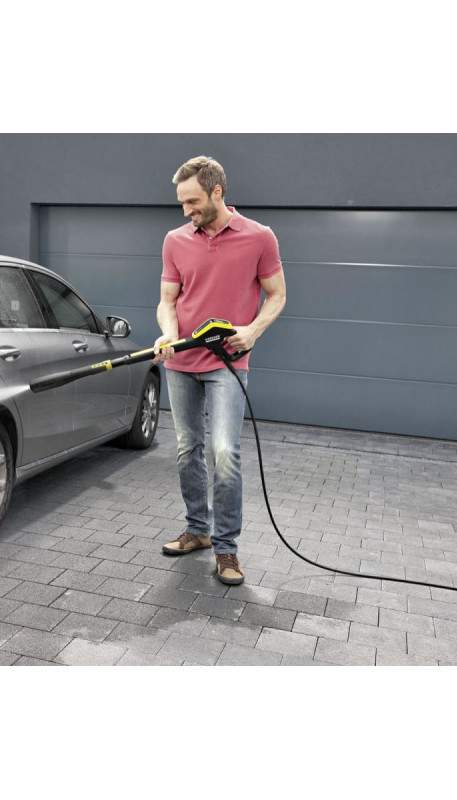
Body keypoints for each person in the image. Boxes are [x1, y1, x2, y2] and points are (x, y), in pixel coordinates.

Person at [154, 156, 286, 585]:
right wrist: (167, 334)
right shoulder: (175, 240)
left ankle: (226, 547)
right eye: (181, 202)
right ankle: (198, 530)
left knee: (225, 451)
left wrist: (253, 331)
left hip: (227, 363)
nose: (186, 211)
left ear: (217, 192)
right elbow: (168, 301)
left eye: (192, 201)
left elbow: (277, 295)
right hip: (180, 362)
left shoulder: (260, 237)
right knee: (187, 449)